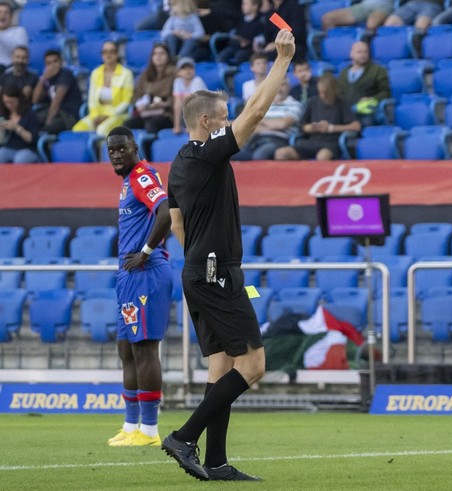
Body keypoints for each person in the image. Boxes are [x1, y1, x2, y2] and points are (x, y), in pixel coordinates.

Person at [160, 27, 296, 482]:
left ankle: (215, 462)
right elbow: (256, 112)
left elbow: (176, 225)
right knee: (254, 364)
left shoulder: (177, 164)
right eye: (223, 116)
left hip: (197, 271)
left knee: (222, 369)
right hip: (216, 273)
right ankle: (184, 436)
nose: (229, 120)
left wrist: (201, 261)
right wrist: (282, 60)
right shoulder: (205, 155)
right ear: (205, 123)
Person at [105, 125, 174, 447]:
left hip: (145, 272)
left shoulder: (143, 176)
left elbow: (165, 213)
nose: (117, 155)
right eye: (111, 151)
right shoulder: (126, 183)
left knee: (145, 349)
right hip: (129, 275)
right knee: (126, 350)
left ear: (135, 147)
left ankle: (148, 430)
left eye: (122, 148)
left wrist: (147, 252)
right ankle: (131, 425)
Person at [273, 74, 360, 161]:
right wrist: (310, 128)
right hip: (310, 141)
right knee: (281, 153)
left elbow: (356, 126)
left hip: (331, 143)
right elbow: (302, 125)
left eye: (325, 92)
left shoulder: (341, 104)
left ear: (333, 91)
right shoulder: (312, 102)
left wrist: (331, 128)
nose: (322, 95)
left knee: (322, 157)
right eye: (320, 92)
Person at [72, 41, 134, 136]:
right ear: (102, 55)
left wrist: (109, 115)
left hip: (118, 115)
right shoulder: (96, 73)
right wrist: (96, 116)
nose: (108, 55)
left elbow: (126, 102)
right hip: (97, 114)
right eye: (105, 52)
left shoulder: (126, 74)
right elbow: (91, 100)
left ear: (117, 54)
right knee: (77, 129)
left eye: (112, 52)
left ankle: (103, 151)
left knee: (102, 130)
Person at [234, 79, 301, 161]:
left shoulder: (295, 105)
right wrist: (272, 124)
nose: (279, 88)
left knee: (259, 155)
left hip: (278, 141)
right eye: (276, 85)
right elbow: (251, 125)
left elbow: (282, 124)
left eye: (283, 85)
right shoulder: (264, 105)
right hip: (255, 140)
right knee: (227, 153)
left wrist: (259, 118)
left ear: (289, 87)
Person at [124, 43, 176, 134]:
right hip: (146, 111)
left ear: (168, 56)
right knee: (127, 124)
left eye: (162, 53)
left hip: (166, 113)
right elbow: (136, 95)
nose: (158, 56)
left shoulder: (174, 75)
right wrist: (139, 104)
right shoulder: (145, 74)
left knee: (151, 124)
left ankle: (152, 147)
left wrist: (164, 104)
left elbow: (178, 97)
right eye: (155, 54)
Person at [337, 41, 389, 127]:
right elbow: (339, 93)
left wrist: (372, 99)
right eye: (359, 52)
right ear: (351, 54)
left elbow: (386, 92)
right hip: (346, 112)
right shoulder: (343, 73)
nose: (363, 55)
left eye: (366, 52)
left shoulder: (378, 71)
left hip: (366, 113)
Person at [31, 49, 82, 135]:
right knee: (30, 120)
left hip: (68, 115)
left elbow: (57, 101)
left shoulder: (65, 74)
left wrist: (48, 121)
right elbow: (35, 100)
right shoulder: (47, 77)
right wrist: (43, 78)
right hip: (53, 112)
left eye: (55, 61)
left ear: (61, 62)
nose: (52, 65)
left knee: (45, 130)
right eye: (49, 63)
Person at [0, 83, 41, 163]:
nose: (8, 105)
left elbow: (32, 139)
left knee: (20, 159)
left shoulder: (29, 114)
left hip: (27, 148)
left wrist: (16, 128)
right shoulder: (4, 114)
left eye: (11, 102)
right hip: (8, 148)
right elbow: (2, 141)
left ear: (18, 99)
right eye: (6, 102)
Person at [216, 0, 266, 65]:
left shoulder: (261, 21)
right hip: (235, 46)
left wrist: (247, 42)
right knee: (221, 57)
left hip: (250, 49)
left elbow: (260, 38)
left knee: (240, 56)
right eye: (243, 4)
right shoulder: (240, 19)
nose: (243, 6)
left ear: (255, 6)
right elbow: (234, 34)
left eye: (245, 4)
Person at [172, 57, 207, 134]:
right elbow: (177, 104)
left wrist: (192, 126)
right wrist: (176, 126)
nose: (187, 71)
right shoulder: (177, 82)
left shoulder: (197, 81)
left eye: (190, 68)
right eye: (184, 68)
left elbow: (197, 105)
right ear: (178, 72)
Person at [321, 0, 393, 31]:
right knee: (328, 19)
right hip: (363, 6)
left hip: (383, 7)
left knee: (371, 24)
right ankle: (334, 47)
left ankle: (365, 51)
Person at [0, 1, 27, 72]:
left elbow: (19, 51)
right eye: (0, 12)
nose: (3, 15)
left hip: (11, 74)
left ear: (11, 16)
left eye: (6, 12)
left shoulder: (19, 31)